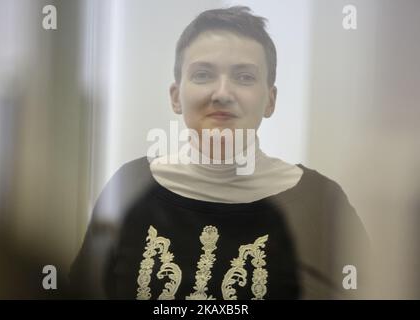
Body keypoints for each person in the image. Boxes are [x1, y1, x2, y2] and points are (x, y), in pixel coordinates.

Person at [70, 6, 369, 300]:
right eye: (203, 75)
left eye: (244, 77)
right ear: (176, 97)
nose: (223, 93)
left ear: (270, 100)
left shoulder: (321, 202)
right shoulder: (128, 188)